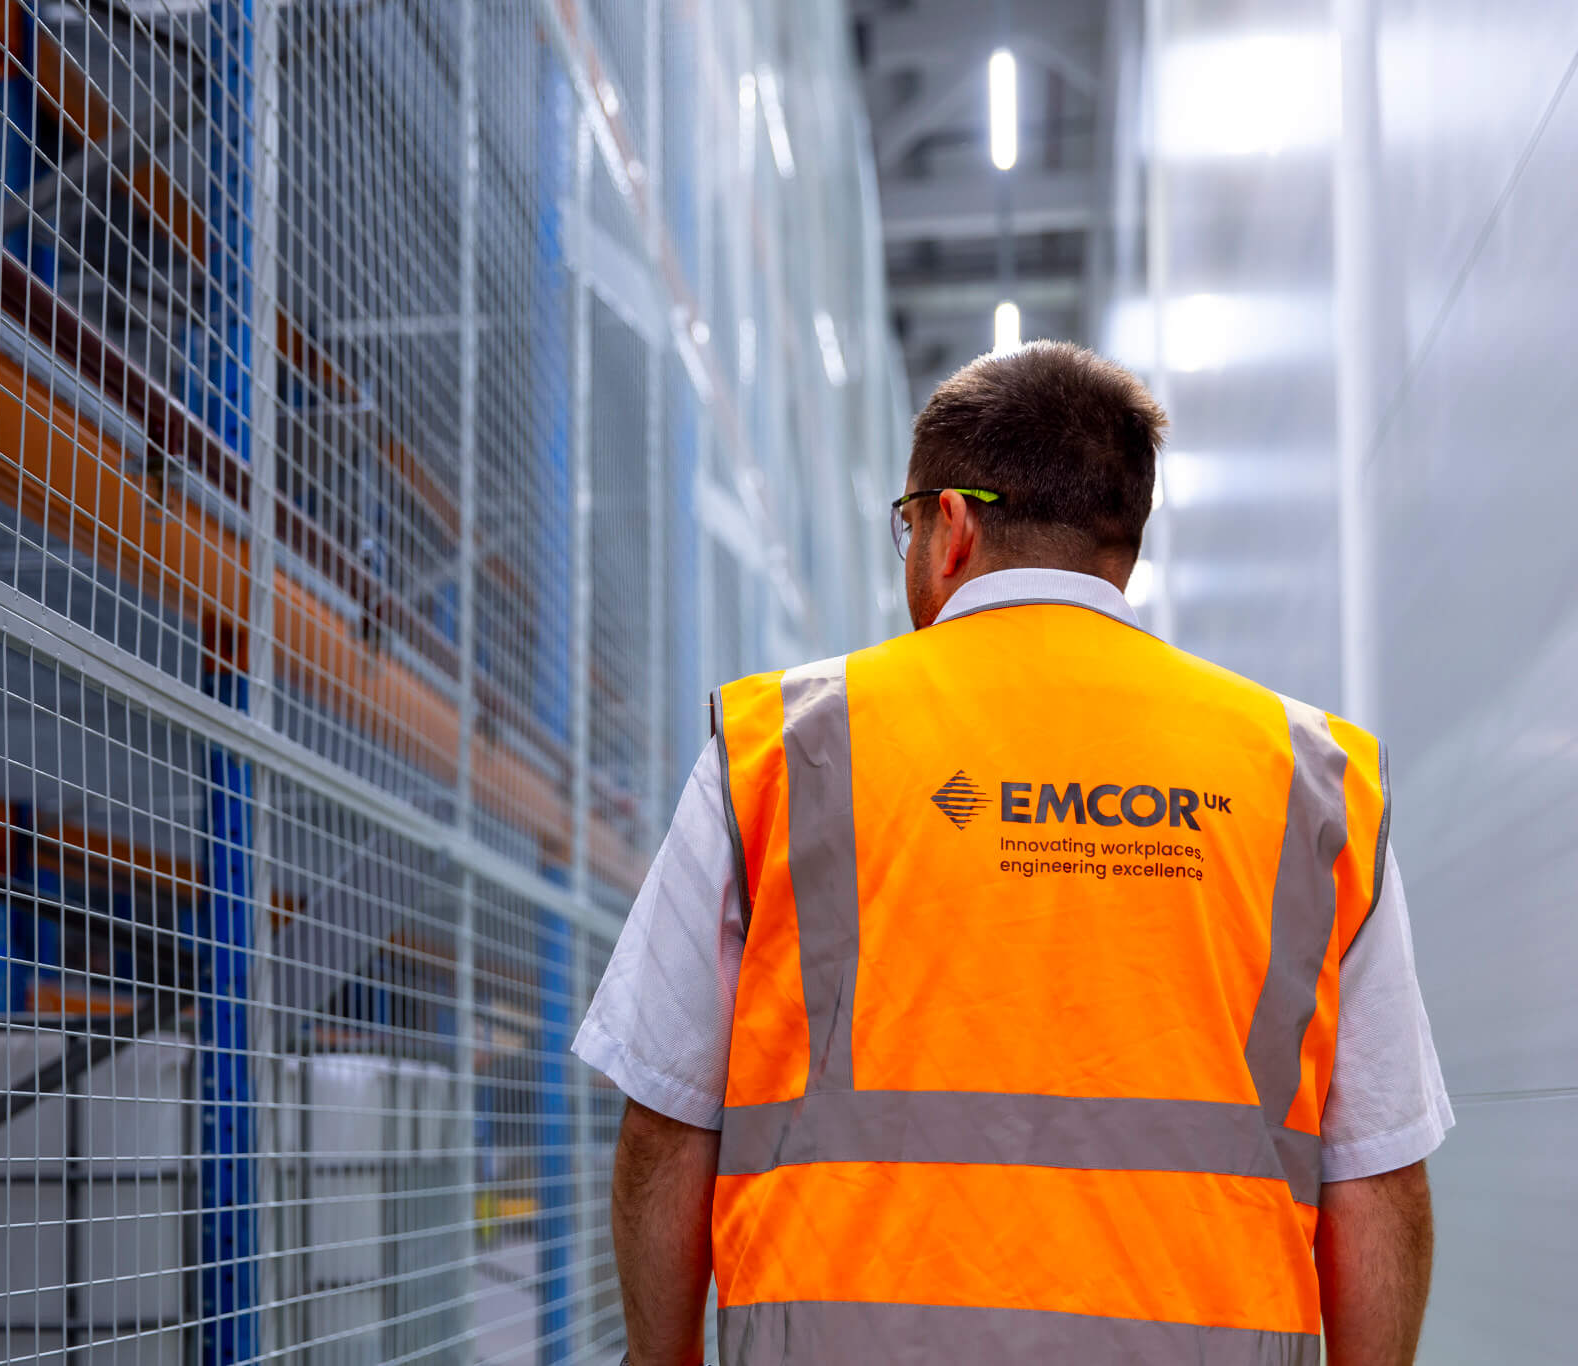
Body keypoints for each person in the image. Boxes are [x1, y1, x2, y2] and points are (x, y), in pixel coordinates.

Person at [574, 342, 1452, 1366]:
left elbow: (665, 1125)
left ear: (947, 527)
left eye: (904, 525)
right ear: (1116, 542)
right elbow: (1379, 1178)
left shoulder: (781, 745)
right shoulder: (1309, 778)